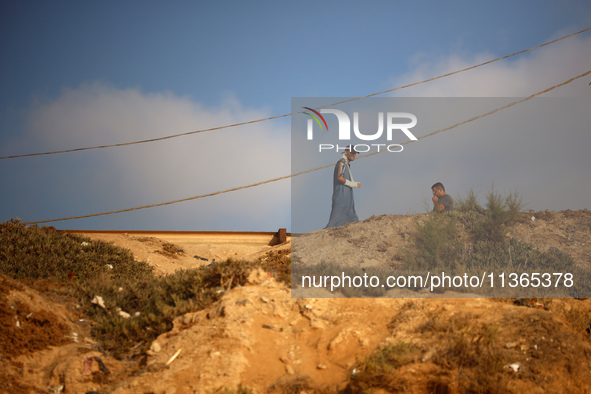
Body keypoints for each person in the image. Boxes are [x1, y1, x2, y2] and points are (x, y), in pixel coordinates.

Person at [325, 145, 362, 228]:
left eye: (355, 153)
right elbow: (340, 178)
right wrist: (353, 184)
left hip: (346, 197)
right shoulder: (342, 163)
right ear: (346, 152)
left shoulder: (346, 164)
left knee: (351, 218)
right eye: (352, 153)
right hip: (341, 197)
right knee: (334, 222)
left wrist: (353, 183)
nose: (354, 155)